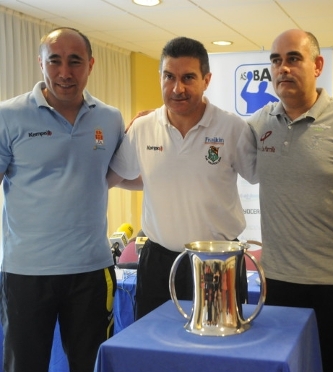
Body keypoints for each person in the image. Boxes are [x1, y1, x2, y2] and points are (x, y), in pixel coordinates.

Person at [247, 29, 333, 372]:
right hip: (278, 285)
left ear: (318, 65)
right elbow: (210, 130)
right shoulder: (259, 123)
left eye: (293, 58)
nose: (283, 68)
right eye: (276, 61)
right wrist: (155, 117)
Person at [0, 27, 125, 372]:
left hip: (91, 270)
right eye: (54, 61)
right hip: (26, 272)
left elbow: (125, 174)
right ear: (41, 64)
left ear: (91, 65)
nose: (65, 72)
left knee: (92, 365)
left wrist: (149, 129)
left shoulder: (110, 118)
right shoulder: (8, 116)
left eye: (75, 61)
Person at [107, 37, 257, 319]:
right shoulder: (142, 128)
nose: (178, 88)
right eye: (169, 77)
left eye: (188, 77)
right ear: (160, 78)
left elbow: (262, 175)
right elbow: (120, 176)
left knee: (219, 354)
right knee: (154, 351)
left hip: (218, 262)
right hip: (158, 263)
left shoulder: (233, 128)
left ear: (206, 79)